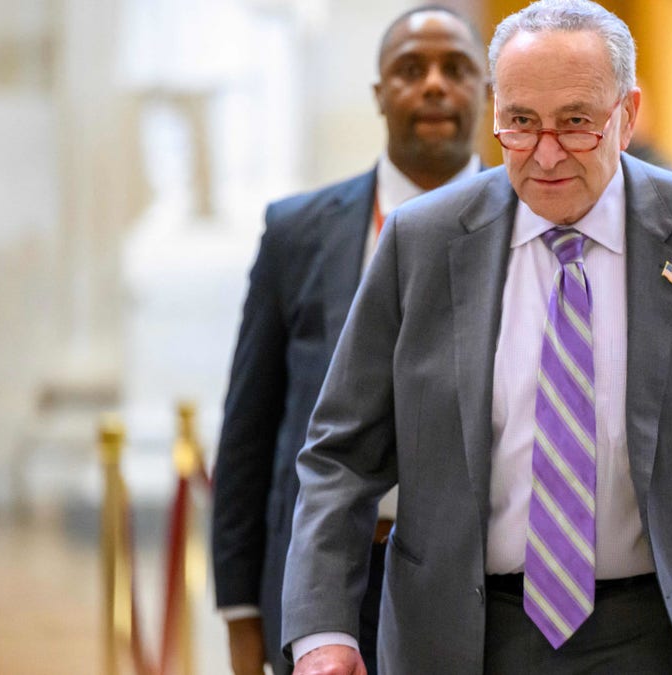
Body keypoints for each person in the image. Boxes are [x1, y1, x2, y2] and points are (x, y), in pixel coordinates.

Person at [283, 0, 672, 673]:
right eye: (520, 123)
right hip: (462, 636)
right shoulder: (421, 242)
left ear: (626, 116)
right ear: (494, 113)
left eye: (575, 124)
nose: (545, 153)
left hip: (659, 635)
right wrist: (323, 631)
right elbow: (340, 456)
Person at [210, 7, 488, 675]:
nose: (432, 86)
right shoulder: (296, 232)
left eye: (456, 69)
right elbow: (250, 430)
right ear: (378, 93)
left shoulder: (531, 233)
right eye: (409, 69)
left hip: (476, 585)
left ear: (486, 90)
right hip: (324, 578)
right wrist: (242, 613)